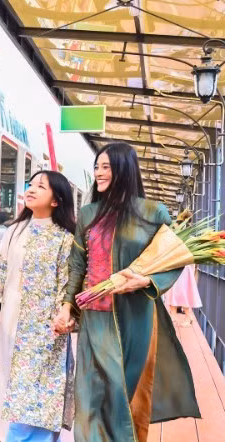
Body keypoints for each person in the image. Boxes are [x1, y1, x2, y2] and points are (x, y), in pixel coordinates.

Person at [53, 143, 200, 442]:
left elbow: (174, 259)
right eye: (97, 166)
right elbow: (78, 265)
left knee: (124, 396)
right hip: (94, 320)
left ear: (124, 169)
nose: (99, 173)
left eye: (106, 166)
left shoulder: (153, 212)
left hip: (134, 319)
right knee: (91, 399)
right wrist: (67, 305)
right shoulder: (88, 213)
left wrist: (145, 281)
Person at [0, 171, 76, 441]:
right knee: (15, 389)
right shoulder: (15, 231)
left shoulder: (64, 238)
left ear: (56, 201)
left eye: (41, 187)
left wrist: (63, 319)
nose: (31, 189)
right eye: (31, 184)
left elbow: (66, 284)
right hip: (10, 325)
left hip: (44, 332)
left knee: (34, 397)